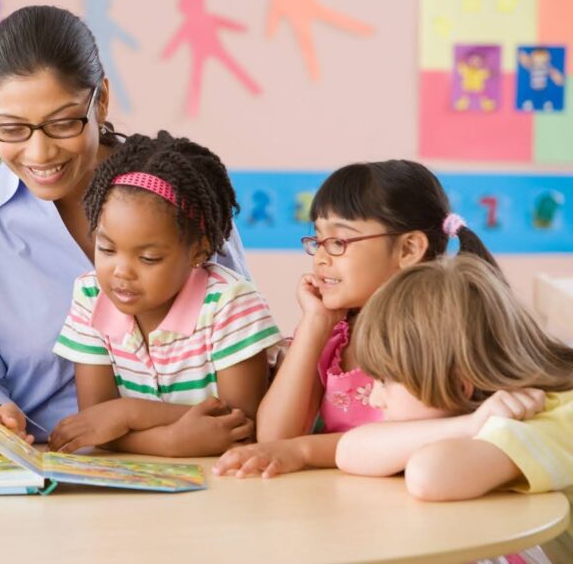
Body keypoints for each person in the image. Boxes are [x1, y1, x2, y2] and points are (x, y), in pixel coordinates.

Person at [0, 5, 252, 442]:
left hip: (205, 454)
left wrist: (139, 425)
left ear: (102, 101)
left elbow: (238, 346)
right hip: (41, 462)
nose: (39, 154)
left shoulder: (177, 190)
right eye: (12, 128)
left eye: (62, 123)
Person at [215, 159, 497, 478]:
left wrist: (304, 451)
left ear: (408, 249)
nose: (321, 258)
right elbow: (276, 437)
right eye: (318, 241)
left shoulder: (430, 333)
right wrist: (314, 325)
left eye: (338, 242)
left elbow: (407, 438)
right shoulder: (335, 333)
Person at [49, 132, 281, 456]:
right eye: (106, 248)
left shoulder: (231, 305)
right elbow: (94, 425)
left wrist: (129, 413)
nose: (121, 271)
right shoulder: (90, 295)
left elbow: (241, 428)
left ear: (197, 252)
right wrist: (170, 441)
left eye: (148, 258)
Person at [338, 255, 573, 563]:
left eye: (386, 381)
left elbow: (428, 475)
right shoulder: (483, 412)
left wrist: (475, 425)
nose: (374, 399)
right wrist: (470, 424)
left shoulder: (550, 417)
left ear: (460, 384)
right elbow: (350, 450)